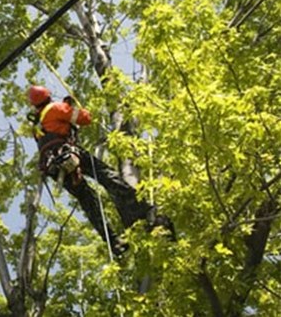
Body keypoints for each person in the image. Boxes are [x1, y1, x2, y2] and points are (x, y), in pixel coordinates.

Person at [27, 85, 174, 257]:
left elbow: (54, 131)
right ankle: (142, 210)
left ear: (34, 105)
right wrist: (73, 108)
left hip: (54, 167)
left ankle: (114, 243)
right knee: (107, 175)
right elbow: (85, 118)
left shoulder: (37, 127)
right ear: (48, 96)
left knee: (89, 202)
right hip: (68, 153)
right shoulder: (56, 108)